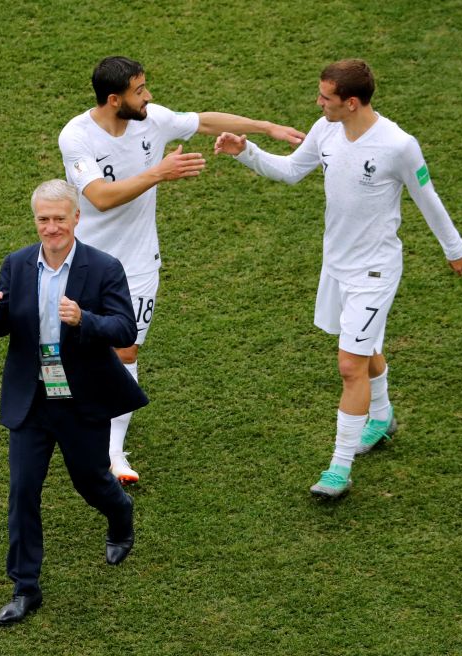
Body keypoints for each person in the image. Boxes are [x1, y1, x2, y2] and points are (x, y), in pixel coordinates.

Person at [213, 59, 462, 499]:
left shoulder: (398, 145)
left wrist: (454, 248)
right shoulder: (326, 129)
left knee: (350, 364)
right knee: (364, 346)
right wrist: (247, 152)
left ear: (351, 102)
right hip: (335, 265)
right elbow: (293, 171)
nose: (318, 103)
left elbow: (427, 196)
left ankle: (339, 467)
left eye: (325, 98)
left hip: (375, 269)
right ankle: (383, 415)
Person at [59, 56, 305, 485]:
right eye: (140, 91)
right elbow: (99, 196)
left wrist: (266, 128)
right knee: (71, 350)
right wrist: (160, 172)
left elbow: (204, 120)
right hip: (84, 263)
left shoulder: (153, 120)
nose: (149, 96)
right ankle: (58, 420)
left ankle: (113, 453)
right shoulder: (76, 136)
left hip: (136, 265)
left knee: (125, 350)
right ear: (115, 99)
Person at [0, 180, 147, 626]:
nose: (51, 228)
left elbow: (125, 329)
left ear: (76, 219)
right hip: (32, 400)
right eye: (43, 220)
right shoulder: (16, 265)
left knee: (90, 481)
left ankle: (119, 513)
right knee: (22, 492)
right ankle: (25, 587)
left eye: (59, 219)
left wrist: (84, 320)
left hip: (79, 399)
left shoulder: (103, 267)